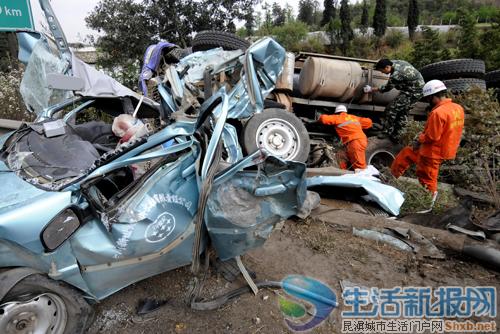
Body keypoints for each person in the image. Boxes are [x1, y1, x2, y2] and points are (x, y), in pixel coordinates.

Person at [391, 80, 465, 208]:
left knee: (427, 177)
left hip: (433, 151)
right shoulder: (457, 108)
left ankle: (428, 204)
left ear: (433, 97)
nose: (427, 102)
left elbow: (432, 136)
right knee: (407, 153)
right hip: (445, 147)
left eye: (428, 99)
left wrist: (419, 138)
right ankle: (391, 178)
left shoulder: (438, 113)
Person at [364, 59, 425, 142]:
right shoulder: (395, 63)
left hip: (414, 91)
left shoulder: (396, 75)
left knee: (391, 109)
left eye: (382, 71)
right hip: (413, 87)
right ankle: (398, 135)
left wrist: (371, 89)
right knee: (402, 111)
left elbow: (386, 88)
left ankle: (387, 132)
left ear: (387, 67)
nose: (382, 73)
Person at [319, 105, 373, 170]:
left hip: (355, 142)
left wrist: (318, 118)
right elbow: (369, 122)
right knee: (341, 155)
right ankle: (342, 173)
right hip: (356, 141)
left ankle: (364, 177)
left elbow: (323, 119)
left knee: (359, 166)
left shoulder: (337, 117)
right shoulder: (354, 117)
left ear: (337, 112)